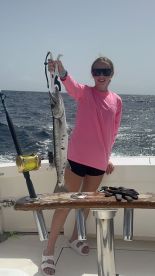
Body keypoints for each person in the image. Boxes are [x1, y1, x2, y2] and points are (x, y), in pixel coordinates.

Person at [41, 56, 122, 275]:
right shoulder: (85, 93)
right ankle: (48, 251)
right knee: (65, 204)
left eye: (105, 71)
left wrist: (108, 157)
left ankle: (75, 238)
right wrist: (60, 71)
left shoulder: (117, 100)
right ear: (92, 74)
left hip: (98, 162)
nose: (101, 75)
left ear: (112, 74)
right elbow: (70, 85)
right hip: (76, 158)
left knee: (85, 204)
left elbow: (112, 133)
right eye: (97, 71)